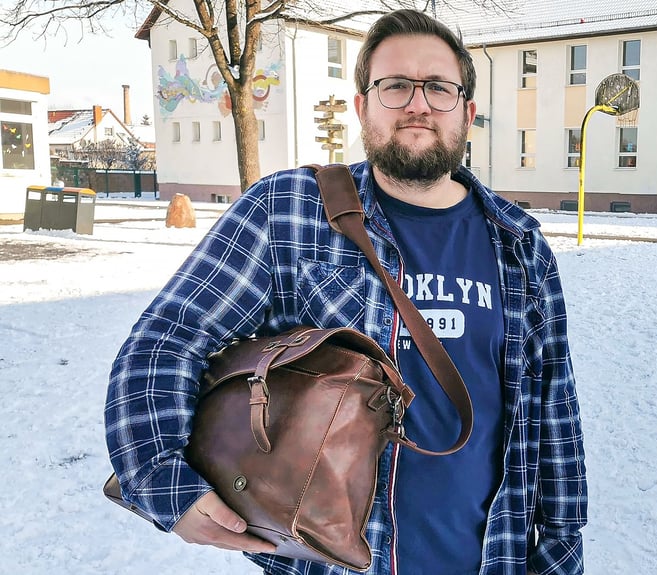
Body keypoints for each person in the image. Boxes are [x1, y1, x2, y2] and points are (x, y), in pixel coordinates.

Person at [104, 9, 587, 575]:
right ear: (362, 106)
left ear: (467, 112)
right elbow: (169, 337)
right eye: (395, 86)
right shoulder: (287, 211)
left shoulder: (518, 244)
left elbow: (554, 410)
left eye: (438, 87)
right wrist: (164, 482)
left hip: (492, 558)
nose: (418, 103)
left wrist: (560, 551)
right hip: (333, 563)